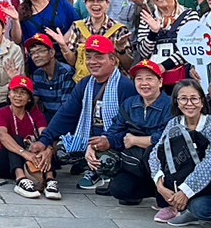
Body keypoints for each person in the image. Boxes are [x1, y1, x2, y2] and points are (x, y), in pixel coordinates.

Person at [30, 35, 136, 189]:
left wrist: (110, 140)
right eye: (89, 57)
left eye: (99, 57)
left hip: (114, 141)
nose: (92, 62)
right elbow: (66, 114)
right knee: (62, 150)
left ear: (113, 59)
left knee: (106, 160)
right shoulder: (85, 84)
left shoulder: (126, 86)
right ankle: (86, 163)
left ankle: (106, 173)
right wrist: (44, 140)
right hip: (88, 136)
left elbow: (130, 126)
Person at [148, 80, 211, 227]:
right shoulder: (174, 122)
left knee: (200, 207)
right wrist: (160, 186)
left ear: (202, 101)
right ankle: (174, 204)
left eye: (194, 98)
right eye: (183, 99)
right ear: (177, 102)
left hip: (208, 184)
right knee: (152, 153)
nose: (189, 103)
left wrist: (185, 191)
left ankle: (188, 206)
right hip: (178, 178)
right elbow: (155, 153)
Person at [91, 60, 172, 207]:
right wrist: (101, 142)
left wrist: (135, 140)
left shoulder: (171, 105)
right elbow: (116, 131)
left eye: (149, 78)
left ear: (160, 82)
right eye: (139, 79)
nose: (144, 83)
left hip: (164, 164)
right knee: (120, 189)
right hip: (135, 163)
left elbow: (169, 137)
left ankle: (163, 191)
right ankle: (150, 190)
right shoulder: (129, 104)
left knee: (152, 153)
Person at [0, 76, 57, 198]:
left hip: (33, 158)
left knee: (45, 143)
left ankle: (49, 180)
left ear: (29, 99)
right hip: (7, 161)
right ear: (9, 94)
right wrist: (24, 153)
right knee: (15, 138)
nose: (18, 96)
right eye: (15, 92)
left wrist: (48, 150)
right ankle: (20, 179)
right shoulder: (0, 113)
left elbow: (45, 133)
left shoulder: (36, 114)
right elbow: (2, 135)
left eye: (23, 93)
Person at [133, 0, 199, 87]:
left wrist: (163, 66)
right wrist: (153, 33)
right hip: (154, 80)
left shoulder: (189, 15)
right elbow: (144, 52)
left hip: (182, 79)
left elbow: (190, 48)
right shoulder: (147, 18)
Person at [70, 0, 131, 81]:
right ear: (85, 4)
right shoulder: (78, 26)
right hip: (84, 81)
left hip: (113, 81)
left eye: (100, 0)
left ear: (107, 4)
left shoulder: (119, 29)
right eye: (91, 0)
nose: (95, 4)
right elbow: (72, 61)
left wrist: (121, 51)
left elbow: (128, 65)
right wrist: (63, 46)